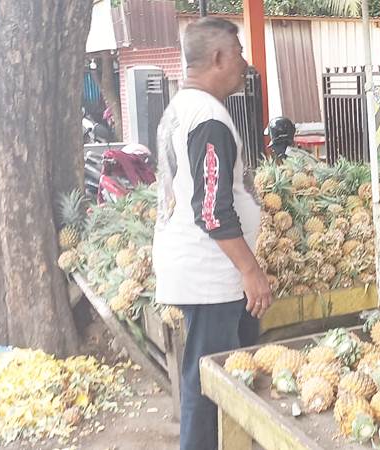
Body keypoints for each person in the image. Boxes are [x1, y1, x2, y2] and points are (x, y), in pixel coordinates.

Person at [152, 17, 271, 450]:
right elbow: (213, 210)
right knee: (211, 383)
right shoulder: (208, 118)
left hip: (199, 271)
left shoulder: (181, 108)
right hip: (210, 277)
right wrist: (250, 271)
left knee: (212, 376)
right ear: (219, 57)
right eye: (239, 53)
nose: (244, 63)